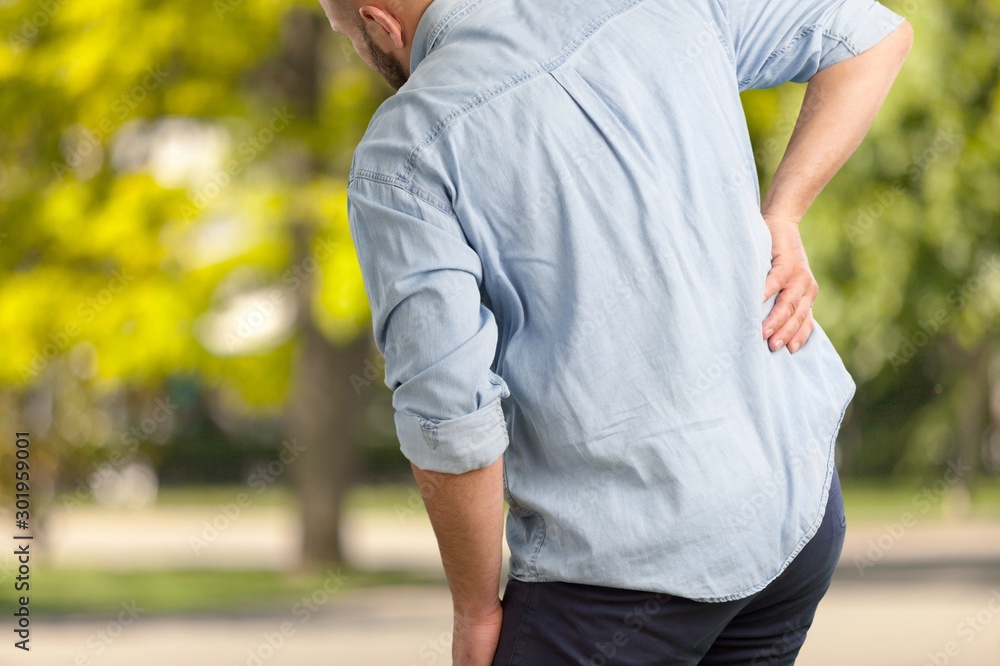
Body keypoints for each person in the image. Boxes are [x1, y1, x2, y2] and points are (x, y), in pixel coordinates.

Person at [317, 0, 912, 662]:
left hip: (615, 584)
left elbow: (450, 417)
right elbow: (871, 36)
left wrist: (475, 609)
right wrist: (786, 212)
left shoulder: (404, 152)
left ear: (379, 23)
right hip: (794, 513)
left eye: (348, 37)